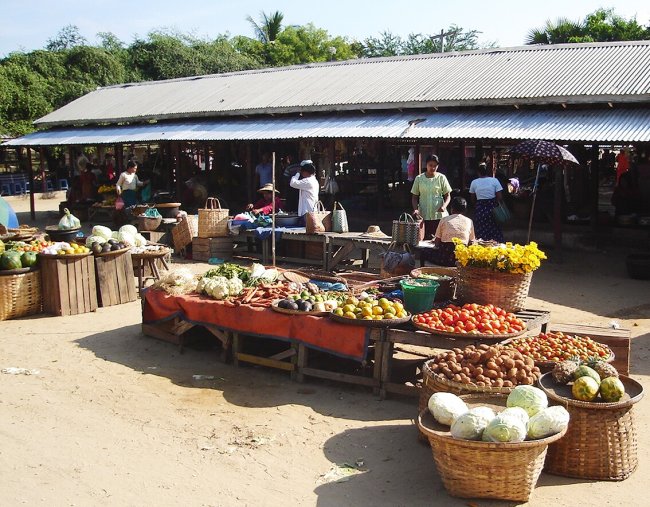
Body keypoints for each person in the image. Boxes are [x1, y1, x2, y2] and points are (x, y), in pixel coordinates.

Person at [411, 155, 452, 239]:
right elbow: (414, 197)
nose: (432, 168)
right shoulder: (419, 179)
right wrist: (415, 209)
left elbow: (448, 196)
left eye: (435, 166)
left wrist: (444, 206)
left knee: (439, 240)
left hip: (439, 216)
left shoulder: (442, 178)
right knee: (423, 240)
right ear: (426, 165)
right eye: (430, 165)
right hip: (423, 216)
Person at [432, 197, 475, 266]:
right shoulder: (469, 221)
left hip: (445, 257)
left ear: (452, 209)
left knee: (425, 252)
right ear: (465, 210)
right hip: (461, 258)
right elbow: (472, 241)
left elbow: (437, 243)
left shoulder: (444, 220)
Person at [469, 162, 504, 242]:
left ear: (478, 172)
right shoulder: (494, 181)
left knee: (480, 228)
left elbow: (472, 198)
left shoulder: (474, 182)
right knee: (494, 227)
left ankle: (481, 246)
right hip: (493, 208)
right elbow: (500, 197)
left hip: (480, 208)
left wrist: (477, 206)